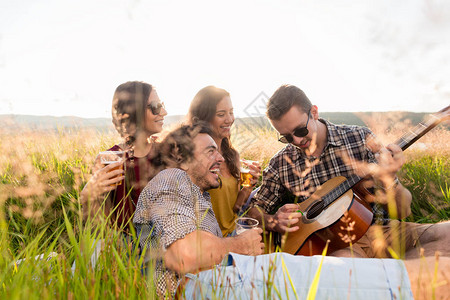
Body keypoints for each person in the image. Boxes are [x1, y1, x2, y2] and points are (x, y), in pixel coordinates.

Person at [248, 84, 450, 259]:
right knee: (341, 265)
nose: (298, 141)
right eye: (287, 137)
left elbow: (404, 209)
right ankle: (397, 273)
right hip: (340, 246)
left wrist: (391, 178)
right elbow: (253, 212)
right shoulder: (281, 163)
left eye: (301, 131)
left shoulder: (360, 138)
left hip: (386, 231)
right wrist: (273, 221)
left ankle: (391, 274)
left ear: (314, 112)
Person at [133, 123, 265, 297]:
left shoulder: (199, 194)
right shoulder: (171, 178)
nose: (221, 158)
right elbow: (184, 254)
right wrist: (239, 245)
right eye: (211, 151)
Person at [80, 81, 167, 231]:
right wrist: (88, 195)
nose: (164, 112)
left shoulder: (167, 152)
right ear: (135, 112)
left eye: (162, 105)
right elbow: (99, 224)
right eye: (155, 107)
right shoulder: (110, 159)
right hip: (124, 247)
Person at [187, 86, 261, 236]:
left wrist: (248, 187)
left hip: (234, 232)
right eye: (221, 114)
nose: (229, 119)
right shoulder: (193, 158)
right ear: (203, 118)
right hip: (209, 241)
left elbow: (234, 208)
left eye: (231, 112)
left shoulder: (232, 155)